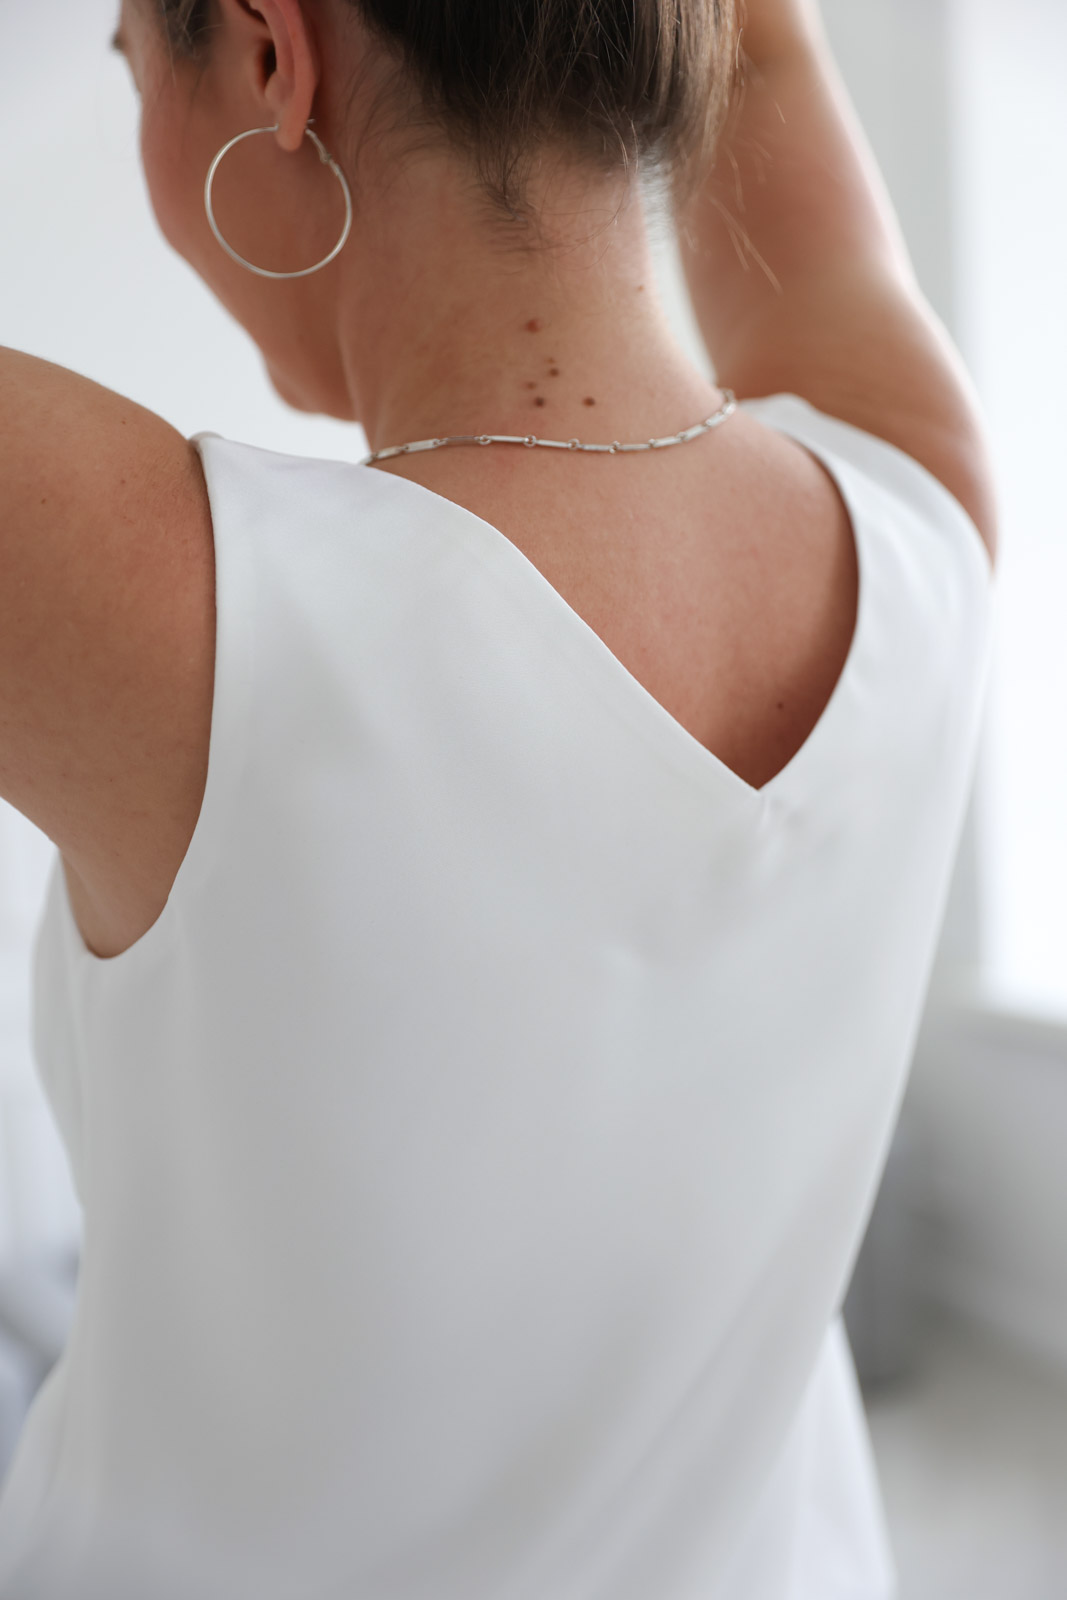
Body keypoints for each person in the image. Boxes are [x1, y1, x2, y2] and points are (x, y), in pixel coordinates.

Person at [0, 0, 998, 1595]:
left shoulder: (186, 623)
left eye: (134, 67)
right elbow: (764, 44)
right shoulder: (922, 507)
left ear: (270, 57)